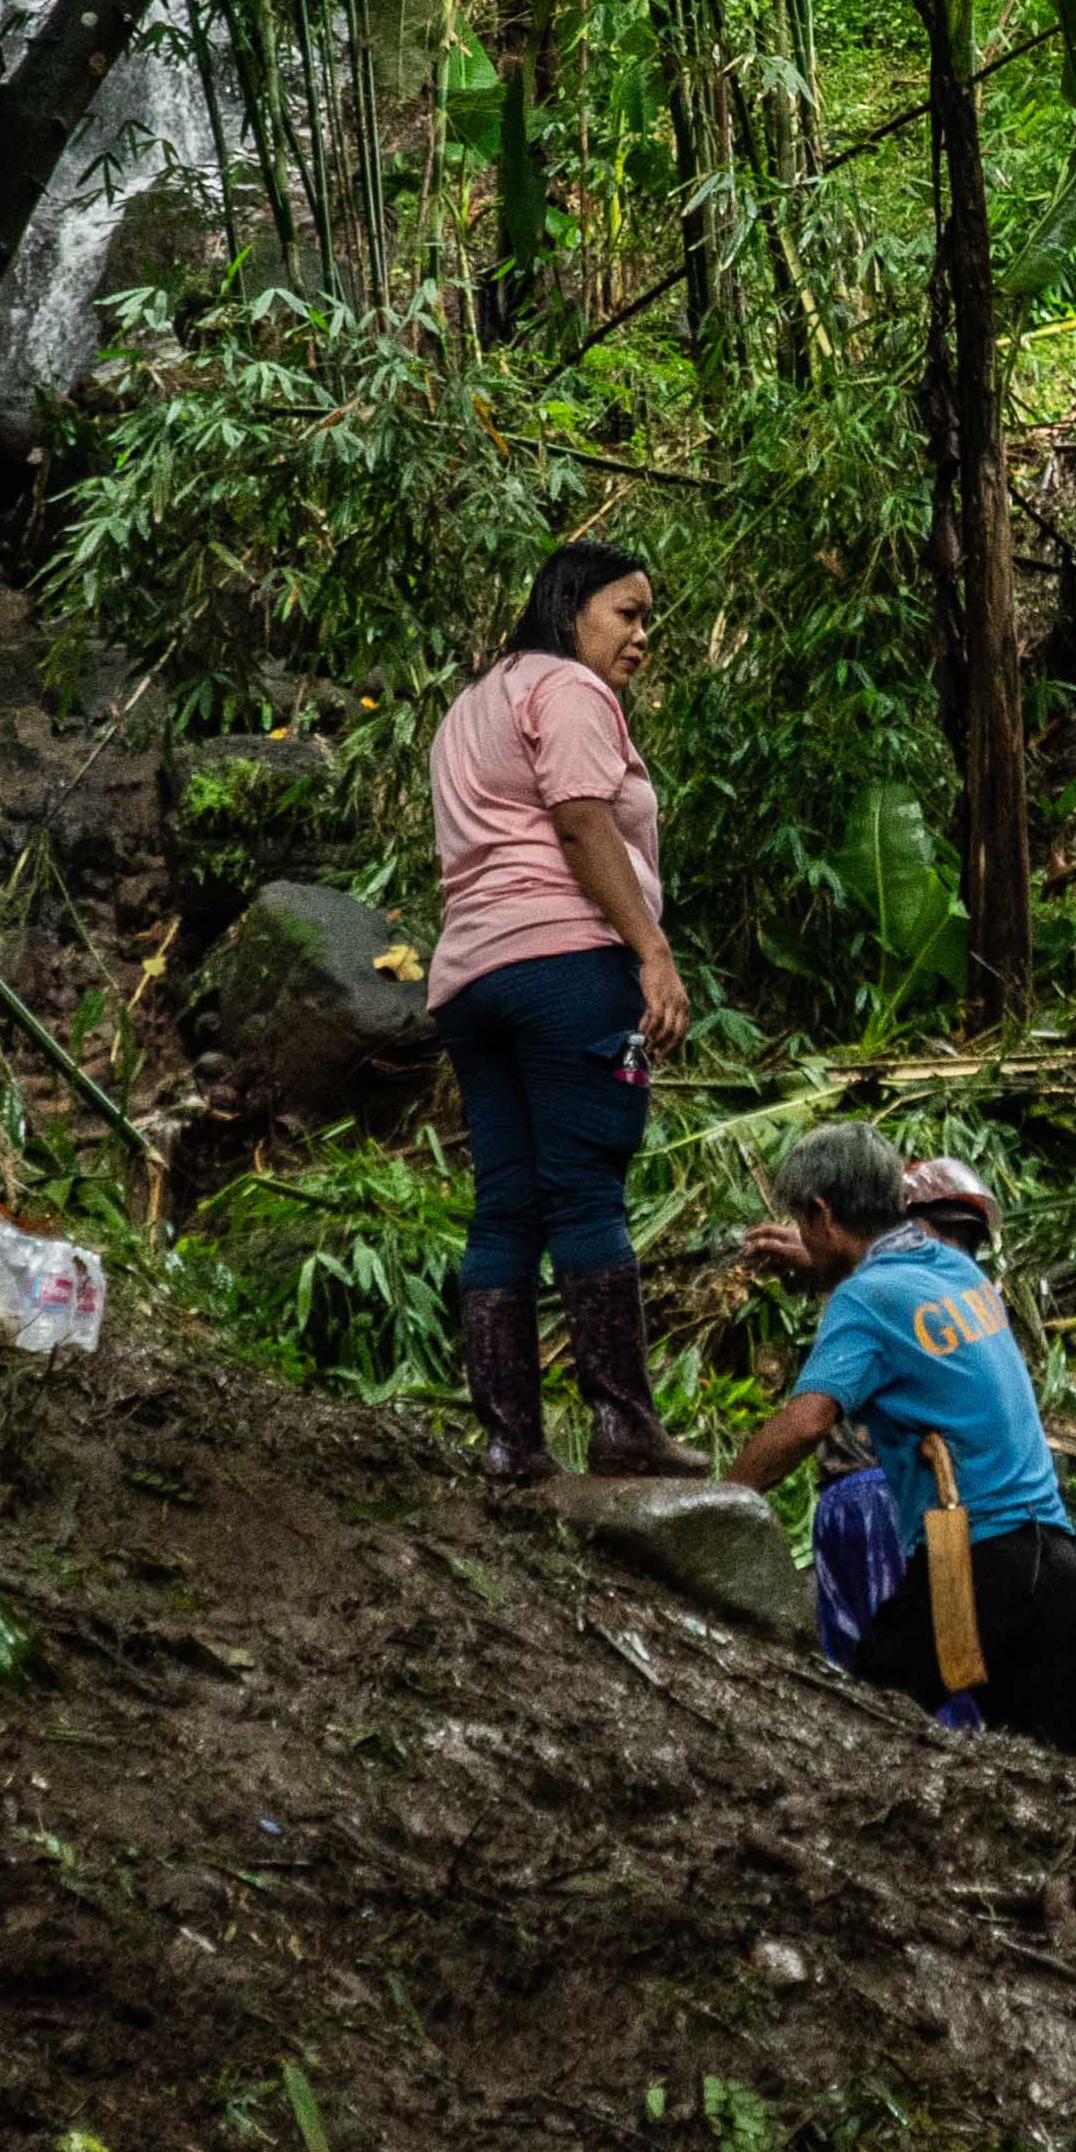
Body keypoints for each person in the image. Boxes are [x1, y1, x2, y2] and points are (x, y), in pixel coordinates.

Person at [426, 542, 697, 1485]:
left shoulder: (469, 708)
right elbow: (583, 820)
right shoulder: (571, 692)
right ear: (571, 605)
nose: (641, 637)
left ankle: (511, 1446)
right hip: (567, 963)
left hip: (472, 978)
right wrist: (653, 953)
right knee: (585, 1184)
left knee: (506, 1203)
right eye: (627, 614)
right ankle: (623, 1427)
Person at [724, 1123, 1076, 1753]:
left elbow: (809, 1420)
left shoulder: (862, 1301)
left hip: (972, 1565)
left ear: (821, 1213)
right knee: (1055, 1783)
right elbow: (891, 1280)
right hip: (1056, 1561)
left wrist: (722, 1499)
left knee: (865, 1729)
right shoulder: (954, 1267)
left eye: (804, 1219)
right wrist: (819, 1257)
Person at [799, 1159, 1006, 1712]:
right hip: (897, 1504)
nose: (949, 1251)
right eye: (943, 1234)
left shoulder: (929, 1299)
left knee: (916, 1680)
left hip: (905, 1502)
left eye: (962, 1241)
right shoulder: (956, 1300)